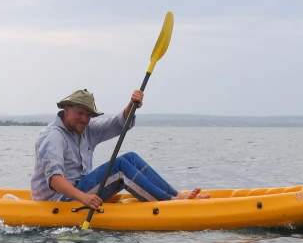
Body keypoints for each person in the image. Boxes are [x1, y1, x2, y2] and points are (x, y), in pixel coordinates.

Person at [31, 88, 210, 209]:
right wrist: (84, 198)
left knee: (130, 158)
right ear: (66, 109)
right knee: (119, 168)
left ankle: (176, 195)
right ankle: (170, 203)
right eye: (80, 113)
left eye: (88, 115)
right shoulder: (53, 137)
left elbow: (117, 124)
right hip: (59, 201)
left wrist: (131, 106)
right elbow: (54, 180)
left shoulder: (85, 129)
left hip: (80, 190)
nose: (85, 119)